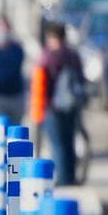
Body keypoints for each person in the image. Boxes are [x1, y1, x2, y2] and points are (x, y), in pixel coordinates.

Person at [38, 22, 86, 186]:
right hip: (72, 105)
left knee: (57, 144)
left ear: (51, 37)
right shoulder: (73, 55)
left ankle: (63, 179)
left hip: (53, 106)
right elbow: (81, 79)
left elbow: (41, 82)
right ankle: (70, 177)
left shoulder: (48, 56)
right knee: (69, 142)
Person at [0, 17, 26, 126]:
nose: (3, 33)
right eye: (1, 29)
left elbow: (10, 71)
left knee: (15, 132)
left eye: (5, 29)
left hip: (16, 96)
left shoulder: (17, 50)